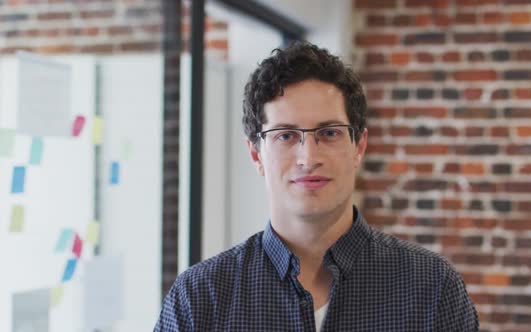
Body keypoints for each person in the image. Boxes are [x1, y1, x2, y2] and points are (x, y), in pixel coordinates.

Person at [154, 41, 479, 331]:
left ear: (359, 146)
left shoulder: (433, 289)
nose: (308, 157)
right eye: (285, 135)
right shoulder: (198, 299)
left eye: (329, 133)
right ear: (256, 154)